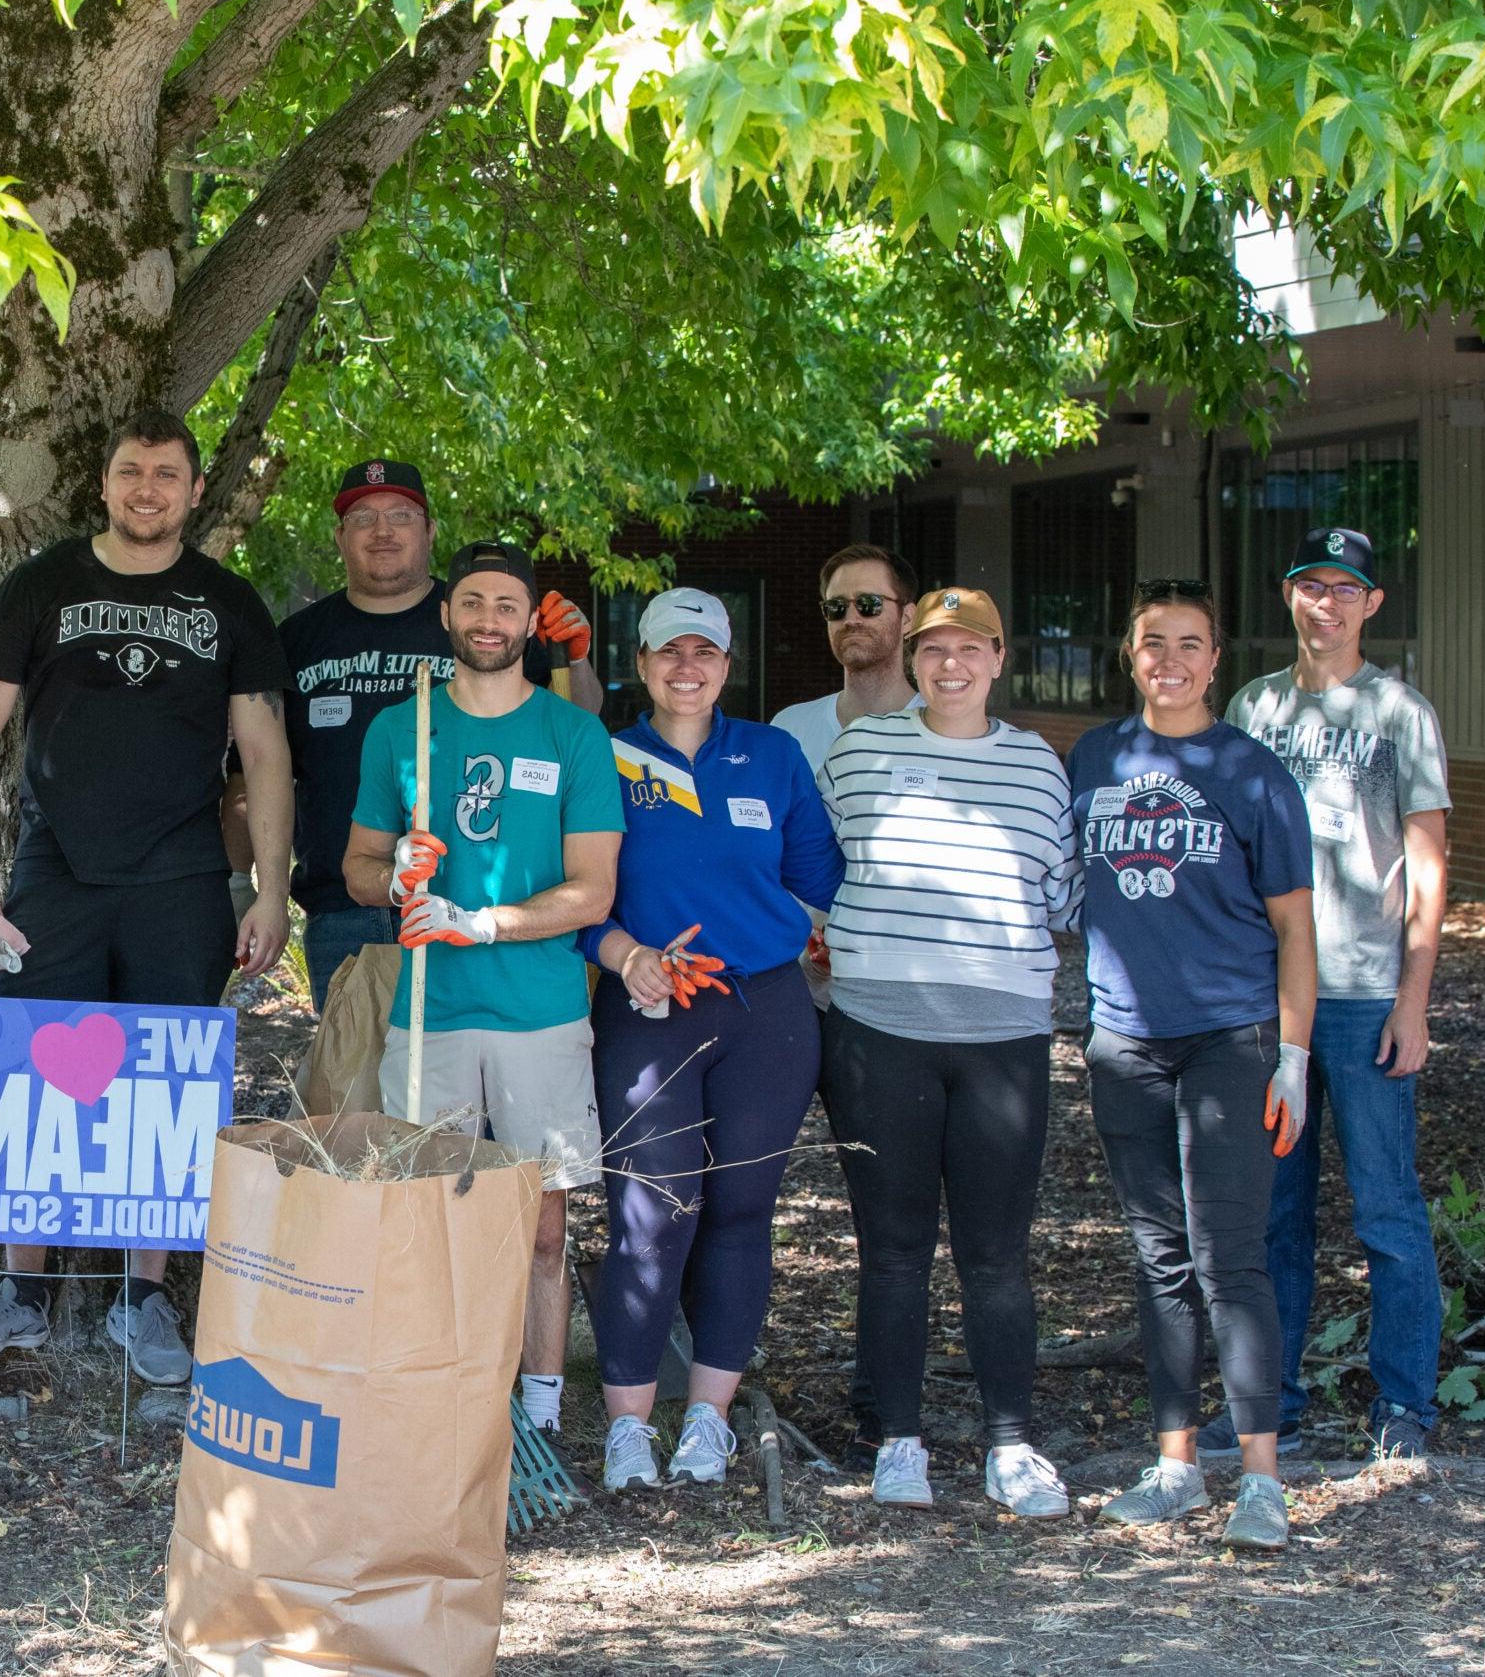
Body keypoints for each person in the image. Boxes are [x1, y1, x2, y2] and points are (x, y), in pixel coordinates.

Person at [0, 409, 291, 1386]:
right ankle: (21, 1292)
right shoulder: (42, 583)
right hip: (55, 866)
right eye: (131, 470)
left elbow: (263, 753)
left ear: (190, 489)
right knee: (20, 1068)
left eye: (166, 474)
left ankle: (143, 1303)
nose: (147, 488)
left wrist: (267, 890)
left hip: (180, 876)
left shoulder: (228, 603)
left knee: (166, 1087)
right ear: (104, 482)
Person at [342, 539, 623, 1437]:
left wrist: (483, 921)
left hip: (540, 1011)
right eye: (473, 603)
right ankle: (438, 1409)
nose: (489, 620)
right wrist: (396, 879)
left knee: (541, 1227)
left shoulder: (572, 732)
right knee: (425, 1222)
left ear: (529, 619)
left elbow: (594, 889)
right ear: (448, 615)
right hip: (432, 1013)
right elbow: (354, 866)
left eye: (507, 605)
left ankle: (538, 1410)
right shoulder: (402, 727)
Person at [815, 586, 1081, 1517]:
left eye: (971, 650)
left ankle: (1010, 1443)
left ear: (1000, 659)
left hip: (1001, 1037)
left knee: (996, 1255)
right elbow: (820, 868)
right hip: (877, 1030)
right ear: (913, 659)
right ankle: (898, 1442)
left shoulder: (1040, 768)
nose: (951, 666)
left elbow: (1065, 899)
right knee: (891, 1251)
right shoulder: (859, 752)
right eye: (934, 650)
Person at [1069, 581, 1316, 1550]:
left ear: (1216, 660)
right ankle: (1174, 1468)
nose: (1168, 658)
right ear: (1128, 656)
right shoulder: (1094, 757)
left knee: (1230, 1262)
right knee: (1158, 1261)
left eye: (1189, 643)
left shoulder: (1251, 773)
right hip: (1125, 1041)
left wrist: (1291, 1054)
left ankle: (1259, 1481)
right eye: (1150, 642)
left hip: (1230, 1038)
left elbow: (1296, 927)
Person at [582, 588, 843, 1491]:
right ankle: (627, 1429)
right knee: (650, 1215)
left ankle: (708, 1419)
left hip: (763, 1012)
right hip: (647, 1007)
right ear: (642, 661)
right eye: (667, 652)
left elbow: (819, 872)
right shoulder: (606, 756)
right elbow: (576, 894)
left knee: (738, 1213)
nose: (685, 668)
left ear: (728, 665)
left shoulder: (770, 755)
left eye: (704, 652)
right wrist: (625, 954)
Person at [1225, 527, 1449, 1464]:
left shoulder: (1400, 711)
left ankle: (1405, 1404)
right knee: (1274, 1208)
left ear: (1371, 605)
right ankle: (1275, 1400)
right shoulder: (1252, 706)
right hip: (1271, 1000)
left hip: (1361, 997)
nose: (1329, 603)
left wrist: (1414, 999)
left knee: (1385, 1209)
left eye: (1346, 589)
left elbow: (1429, 866)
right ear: (1288, 598)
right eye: (1312, 586)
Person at [229, 458, 599, 1008]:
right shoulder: (297, 640)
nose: (383, 530)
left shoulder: (481, 614)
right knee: (356, 1088)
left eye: (401, 515)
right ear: (339, 537)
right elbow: (254, 771)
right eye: (363, 517)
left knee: (461, 1086)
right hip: (343, 909)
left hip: (475, 906)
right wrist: (247, 886)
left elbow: (576, 723)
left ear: (428, 531)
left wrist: (575, 659)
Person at [770, 543, 922, 774]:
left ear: (908, 618)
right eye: (836, 607)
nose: (851, 618)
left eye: (869, 604)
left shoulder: (941, 727)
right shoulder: (790, 728)